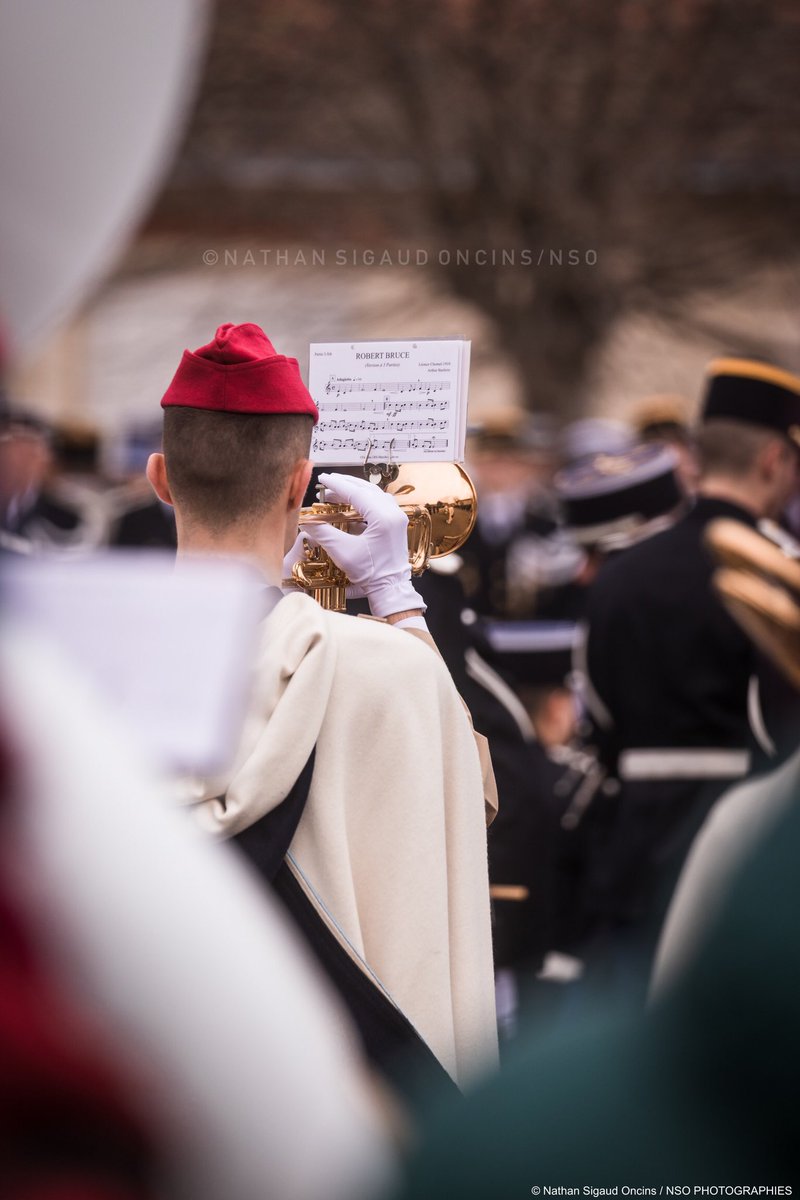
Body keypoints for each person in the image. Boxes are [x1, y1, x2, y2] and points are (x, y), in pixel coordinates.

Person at [145, 322, 498, 1099]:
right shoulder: (387, 668)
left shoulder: (73, 662)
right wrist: (398, 601)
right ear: (299, 482)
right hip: (342, 1084)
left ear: (160, 477)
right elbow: (466, 795)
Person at [581, 356, 800, 998]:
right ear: (771, 461)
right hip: (737, 841)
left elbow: (599, 707)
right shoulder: (781, 576)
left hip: (629, 844)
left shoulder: (624, 567)